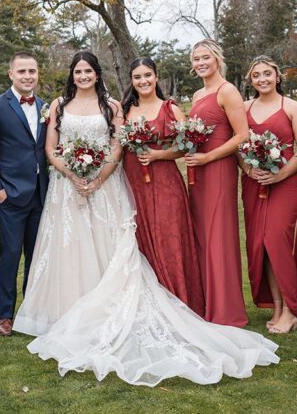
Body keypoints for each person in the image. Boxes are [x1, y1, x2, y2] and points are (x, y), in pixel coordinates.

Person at [15, 51, 279, 386]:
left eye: (89, 71)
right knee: (69, 248)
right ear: (72, 74)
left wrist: (97, 177)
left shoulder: (112, 107)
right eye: (78, 71)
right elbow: (51, 149)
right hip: (68, 188)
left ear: (97, 75)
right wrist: (73, 173)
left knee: (112, 247)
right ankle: (66, 311)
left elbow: (116, 147)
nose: (83, 75)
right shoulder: (58, 105)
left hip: (107, 185)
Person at [120, 57, 204, 315]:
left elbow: (187, 146)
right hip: (133, 184)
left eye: (147, 75)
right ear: (131, 82)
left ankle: (178, 302)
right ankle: (147, 306)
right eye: (137, 77)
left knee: (169, 238)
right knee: (140, 239)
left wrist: (158, 155)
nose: (143, 81)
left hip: (165, 183)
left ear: (156, 77)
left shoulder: (170, 109)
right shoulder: (125, 111)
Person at [0, 52, 49, 337]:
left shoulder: (45, 106)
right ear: (11, 74)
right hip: (11, 196)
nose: (28, 76)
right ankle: (5, 315)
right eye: (22, 71)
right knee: (10, 256)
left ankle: (30, 312)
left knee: (36, 256)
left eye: (32, 70)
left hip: (41, 196)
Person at [240, 56, 297, 334]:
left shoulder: (292, 107)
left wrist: (279, 175)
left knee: (276, 239)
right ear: (251, 80)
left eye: (267, 74)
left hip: (286, 183)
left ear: (277, 76)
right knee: (261, 245)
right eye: (257, 75)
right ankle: (277, 306)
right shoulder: (244, 108)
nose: (262, 79)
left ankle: (292, 309)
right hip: (255, 184)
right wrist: (247, 170)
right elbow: (237, 145)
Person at [186, 39, 250, 326]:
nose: (201, 63)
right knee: (202, 235)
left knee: (218, 235)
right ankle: (206, 302)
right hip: (197, 170)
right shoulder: (199, 93)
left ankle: (226, 309)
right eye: (196, 58)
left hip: (218, 169)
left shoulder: (228, 91)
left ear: (217, 58)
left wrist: (208, 157)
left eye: (206, 57)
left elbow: (241, 135)